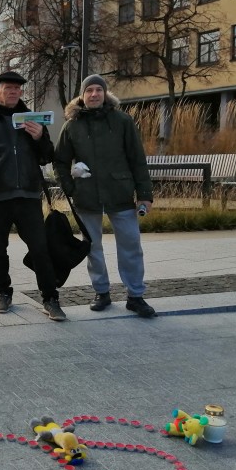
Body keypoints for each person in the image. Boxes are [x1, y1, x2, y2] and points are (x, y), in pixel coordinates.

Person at [0, 70, 66, 321]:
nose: (13, 92)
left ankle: (50, 298)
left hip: (28, 194)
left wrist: (39, 137)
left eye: (17, 89)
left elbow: (46, 156)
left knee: (40, 248)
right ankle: (3, 293)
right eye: (8, 88)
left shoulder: (34, 120)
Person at [54, 74, 156, 318]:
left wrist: (144, 194)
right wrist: (70, 187)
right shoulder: (72, 125)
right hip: (86, 196)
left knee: (131, 245)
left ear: (105, 93)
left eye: (98, 90)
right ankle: (101, 291)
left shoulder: (122, 121)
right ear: (82, 95)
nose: (94, 94)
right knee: (93, 247)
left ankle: (135, 296)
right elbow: (60, 160)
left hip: (120, 192)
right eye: (89, 90)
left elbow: (137, 159)